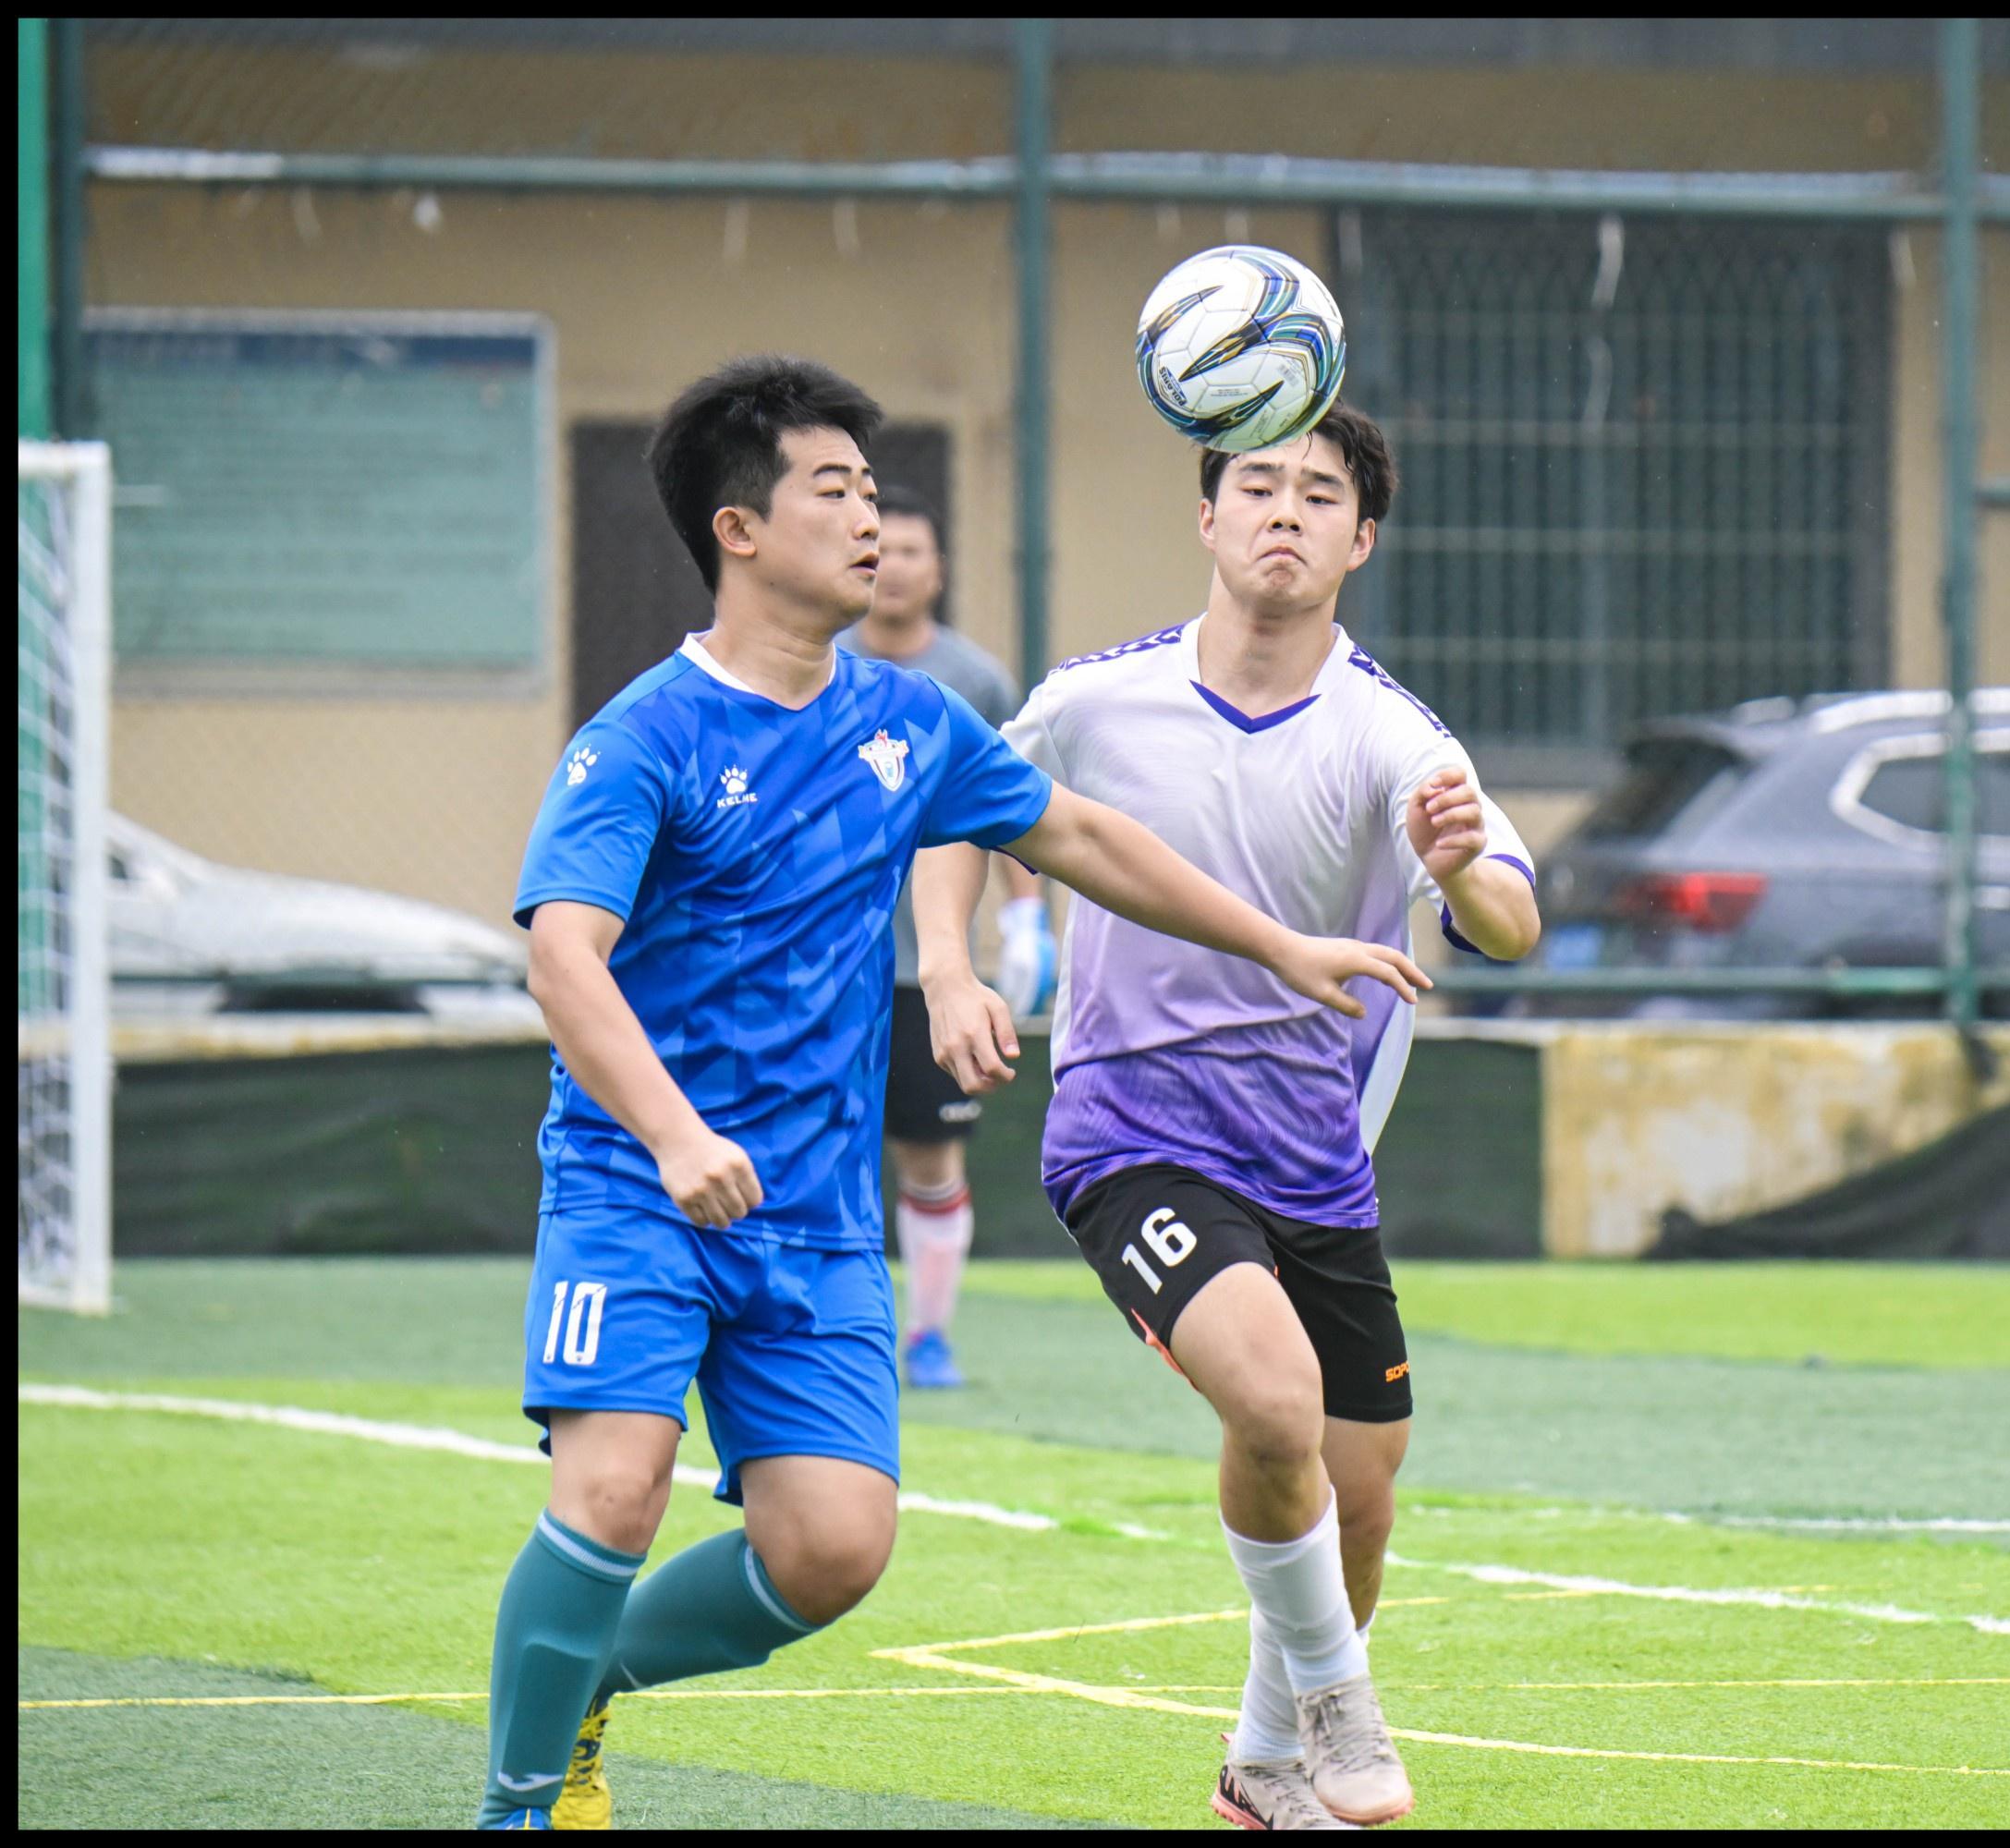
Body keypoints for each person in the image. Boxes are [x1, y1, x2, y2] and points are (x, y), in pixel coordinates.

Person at [480, 356, 1428, 1830]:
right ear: (740, 528)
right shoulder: (642, 737)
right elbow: (562, 963)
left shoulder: (908, 719)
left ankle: (576, 1681)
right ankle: (520, 1805)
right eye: (836, 491)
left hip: (814, 1213)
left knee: (833, 1551)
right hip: (638, 1188)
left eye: (875, 490)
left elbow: (1085, 840)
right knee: (615, 1492)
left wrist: (1277, 941)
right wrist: (670, 1136)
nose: (873, 520)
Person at [915, 404, 1541, 1831]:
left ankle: (1263, 1768)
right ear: (1205, 516)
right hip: (1130, 1133)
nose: (1284, 511)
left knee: (1361, 1492)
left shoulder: (1393, 732)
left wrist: (1467, 870)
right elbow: (960, 815)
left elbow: (1506, 915)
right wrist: (950, 966)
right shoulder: (1093, 700)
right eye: (1256, 483)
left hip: (1315, 1158)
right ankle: (1339, 1701)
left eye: (1319, 495)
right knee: (1268, 1401)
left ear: (1361, 540)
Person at [843, 486, 1053, 1391]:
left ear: (939, 570)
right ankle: (828, 1332)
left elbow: (1014, 805)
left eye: (912, 551)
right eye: (877, 548)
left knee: (931, 1153)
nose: (893, 567)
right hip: (825, 965)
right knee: (821, 1148)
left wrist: (1027, 918)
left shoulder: (975, 679)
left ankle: (928, 1335)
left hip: (928, 970)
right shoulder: (817, 662)